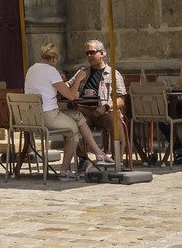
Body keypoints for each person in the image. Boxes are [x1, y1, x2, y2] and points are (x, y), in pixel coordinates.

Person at [25, 39, 104, 175]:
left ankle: (98, 153)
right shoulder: (51, 70)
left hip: (30, 117)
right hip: (48, 116)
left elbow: (44, 88)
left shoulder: (31, 69)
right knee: (73, 130)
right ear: (55, 59)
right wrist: (78, 79)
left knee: (78, 116)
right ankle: (64, 170)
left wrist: (59, 80)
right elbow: (71, 96)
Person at [70, 39, 122, 157]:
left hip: (105, 111)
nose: (89, 56)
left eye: (92, 52)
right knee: (68, 126)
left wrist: (106, 107)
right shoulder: (83, 72)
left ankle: (117, 160)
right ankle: (83, 158)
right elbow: (68, 85)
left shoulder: (113, 74)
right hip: (84, 111)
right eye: (87, 53)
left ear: (102, 53)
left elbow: (121, 99)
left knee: (116, 123)